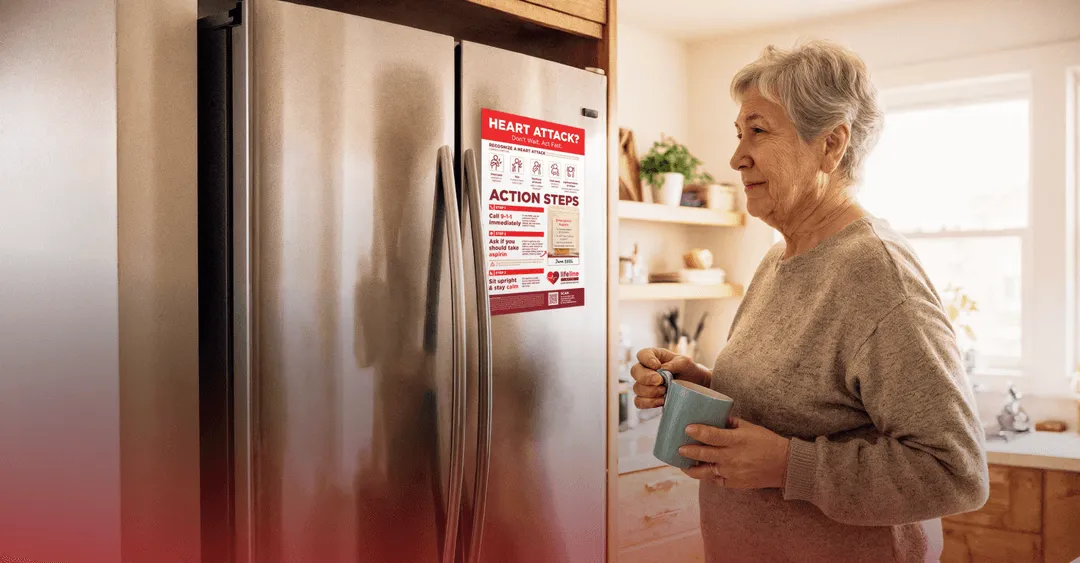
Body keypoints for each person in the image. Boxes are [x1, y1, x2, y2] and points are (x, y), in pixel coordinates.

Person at [630, 40, 989, 563]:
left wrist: (788, 467)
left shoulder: (875, 273)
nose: (736, 157)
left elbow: (955, 472)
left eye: (758, 130)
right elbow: (798, 404)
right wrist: (702, 385)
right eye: (738, 134)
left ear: (830, 144)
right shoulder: (778, 260)